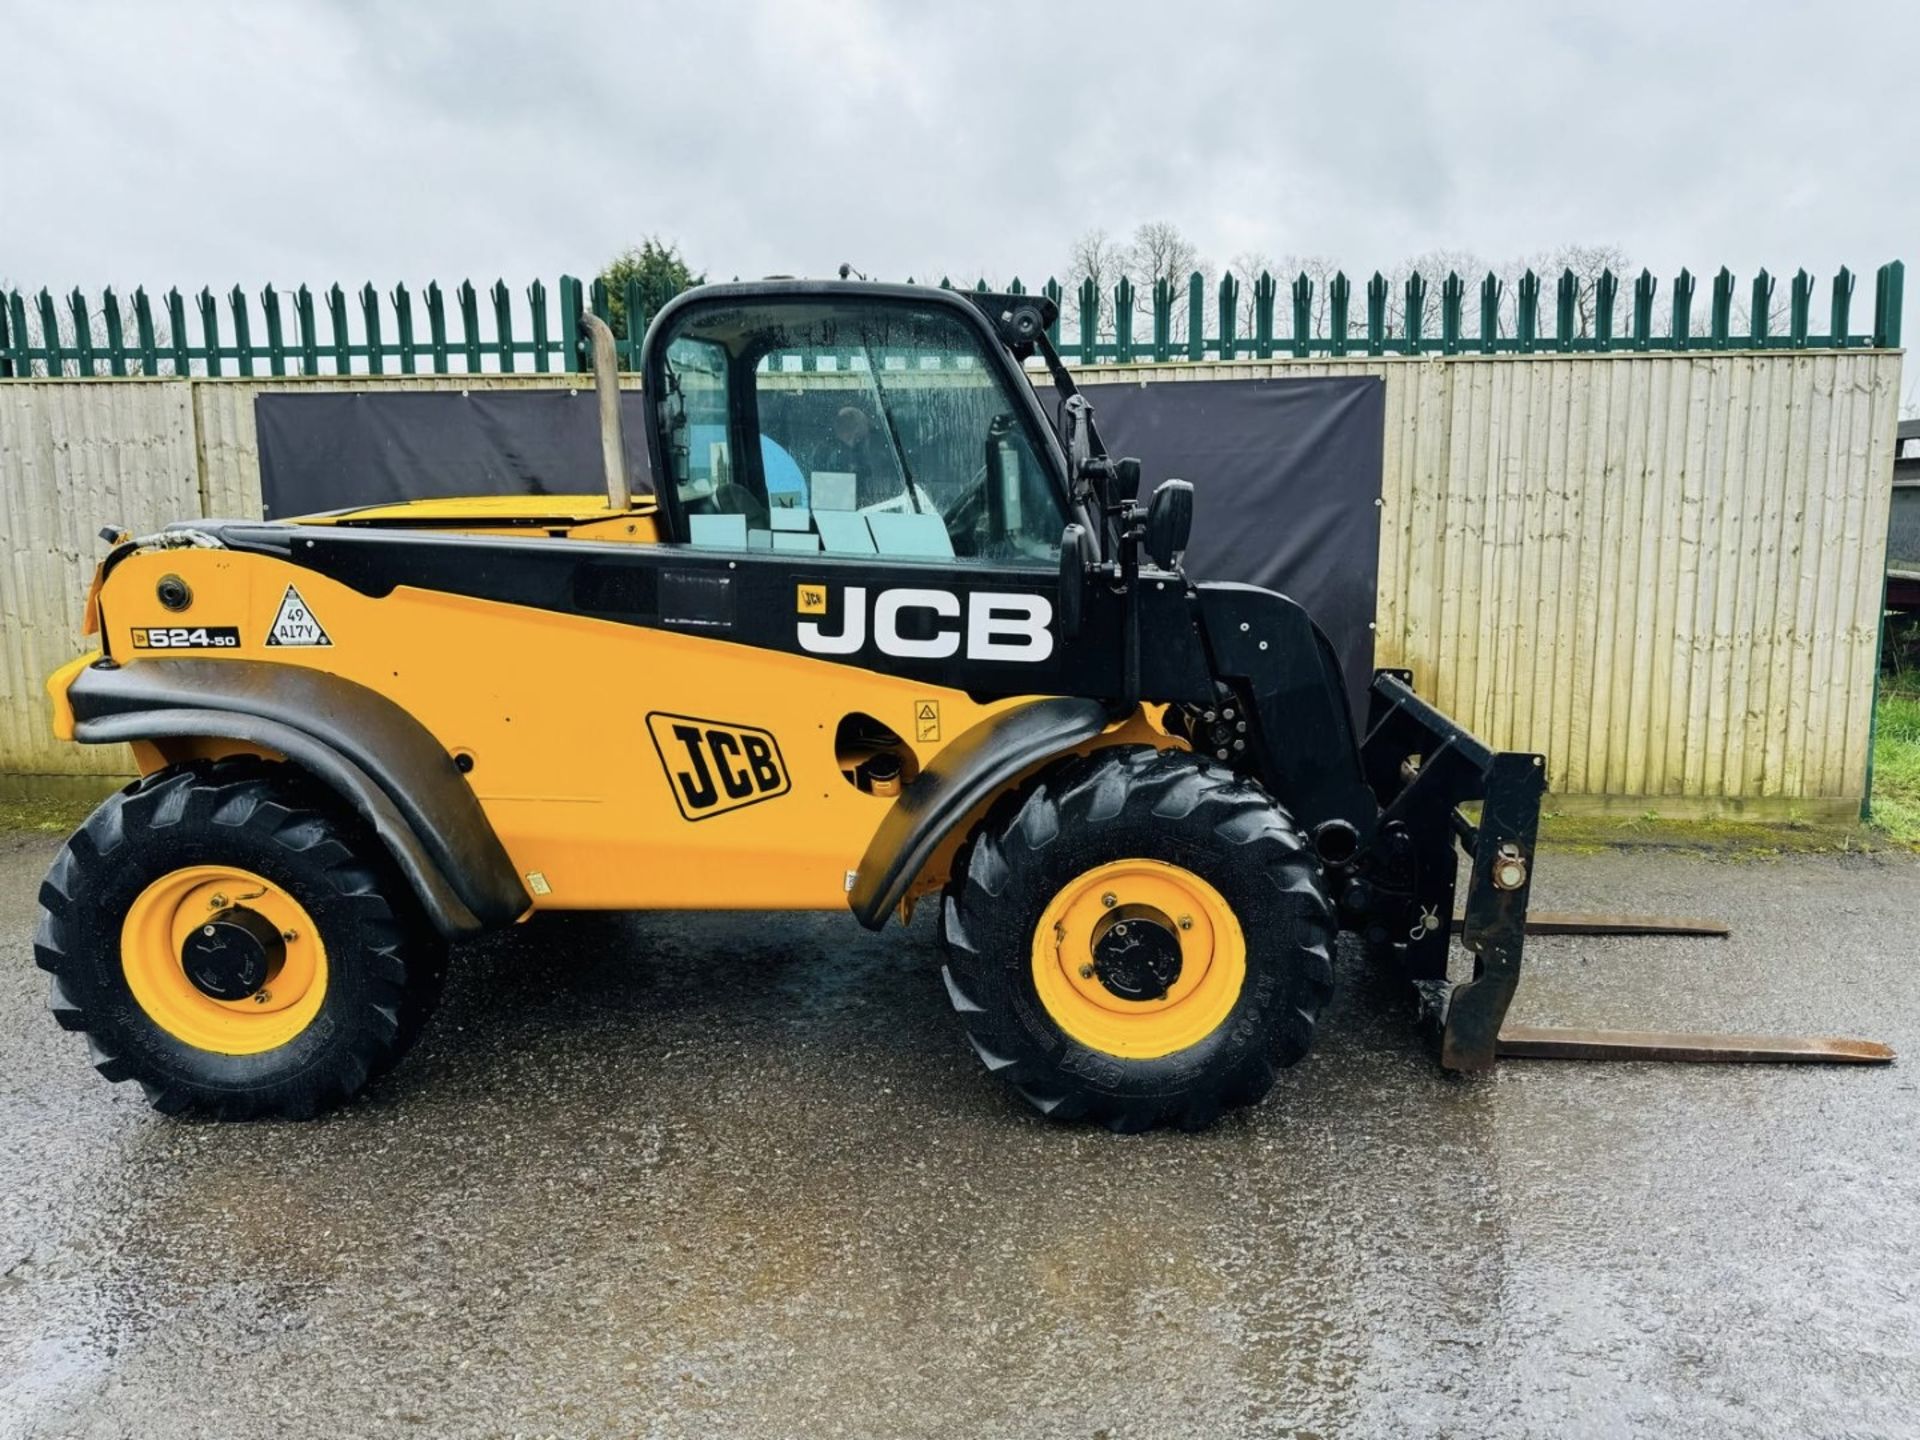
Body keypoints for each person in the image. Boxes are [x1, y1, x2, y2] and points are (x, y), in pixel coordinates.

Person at [826, 404, 907, 508]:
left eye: (856, 438)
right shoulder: (836, 459)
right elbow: (833, 503)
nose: (852, 443)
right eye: (847, 439)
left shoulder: (892, 448)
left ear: (865, 425)